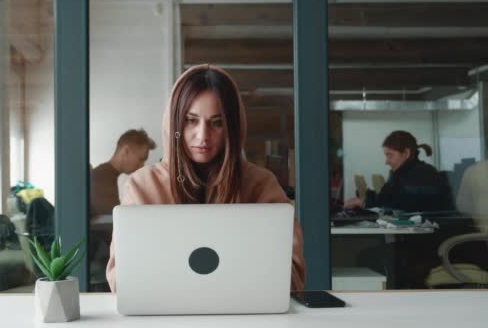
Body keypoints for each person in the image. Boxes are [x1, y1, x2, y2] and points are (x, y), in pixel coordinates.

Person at [105, 64, 305, 292]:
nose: (203, 136)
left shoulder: (261, 184)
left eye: (217, 122)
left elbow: (292, 277)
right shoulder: (142, 185)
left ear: (232, 127)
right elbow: (122, 279)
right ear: (175, 124)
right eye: (191, 120)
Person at [344, 130, 450, 212]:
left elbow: (400, 205)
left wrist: (364, 203)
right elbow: (384, 199)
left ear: (406, 153)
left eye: (390, 155)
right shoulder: (401, 173)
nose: (386, 162)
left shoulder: (423, 173)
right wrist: (365, 199)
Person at [89, 128, 157, 220]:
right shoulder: (101, 177)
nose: (142, 166)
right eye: (141, 159)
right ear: (126, 151)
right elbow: (113, 220)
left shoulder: (106, 174)